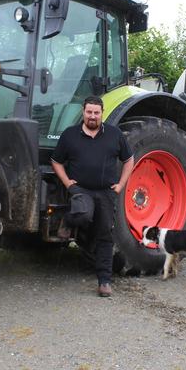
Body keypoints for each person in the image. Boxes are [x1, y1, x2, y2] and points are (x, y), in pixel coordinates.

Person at [50, 95, 135, 297]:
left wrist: (121, 185)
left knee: (105, 234)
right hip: (81, 189)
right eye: (89, 112)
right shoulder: (70, 135)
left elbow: (129, 159)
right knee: (83, 214)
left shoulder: (114, 135)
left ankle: (104, 281)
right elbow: (56, 161)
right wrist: (67, 182)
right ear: (83, 112)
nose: (92, 116)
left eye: (96, 113)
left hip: (106, 192)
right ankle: (68, 220)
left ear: (102, 114)